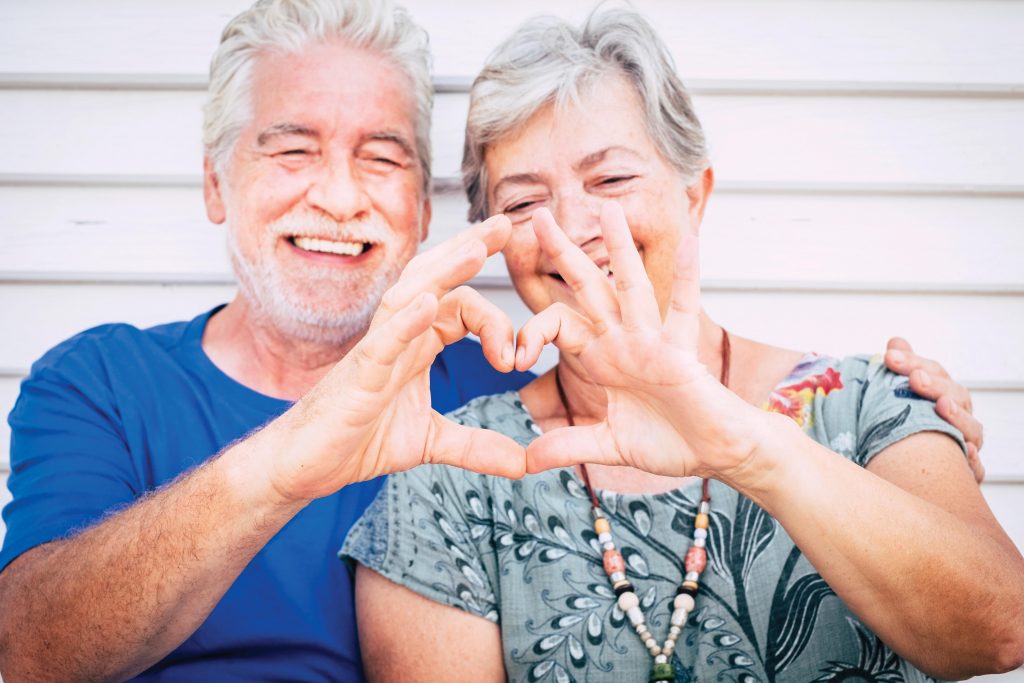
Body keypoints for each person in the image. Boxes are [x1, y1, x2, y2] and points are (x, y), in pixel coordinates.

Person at [0, 1, 986, 681]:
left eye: (381, 157)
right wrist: (287, 460)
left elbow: (983, 610)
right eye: (290, 147)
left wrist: (900, 424)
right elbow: (28, 650)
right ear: (216, 183)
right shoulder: (104, 382)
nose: (338, 195)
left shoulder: (504, 396)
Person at [343, 8, 1024, 682]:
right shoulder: (455, 473)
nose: (572, 228)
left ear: (694, 195)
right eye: (524, 203)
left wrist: (743, 445)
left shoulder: (873, 400)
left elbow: (1000, 629)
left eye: (610, 180)